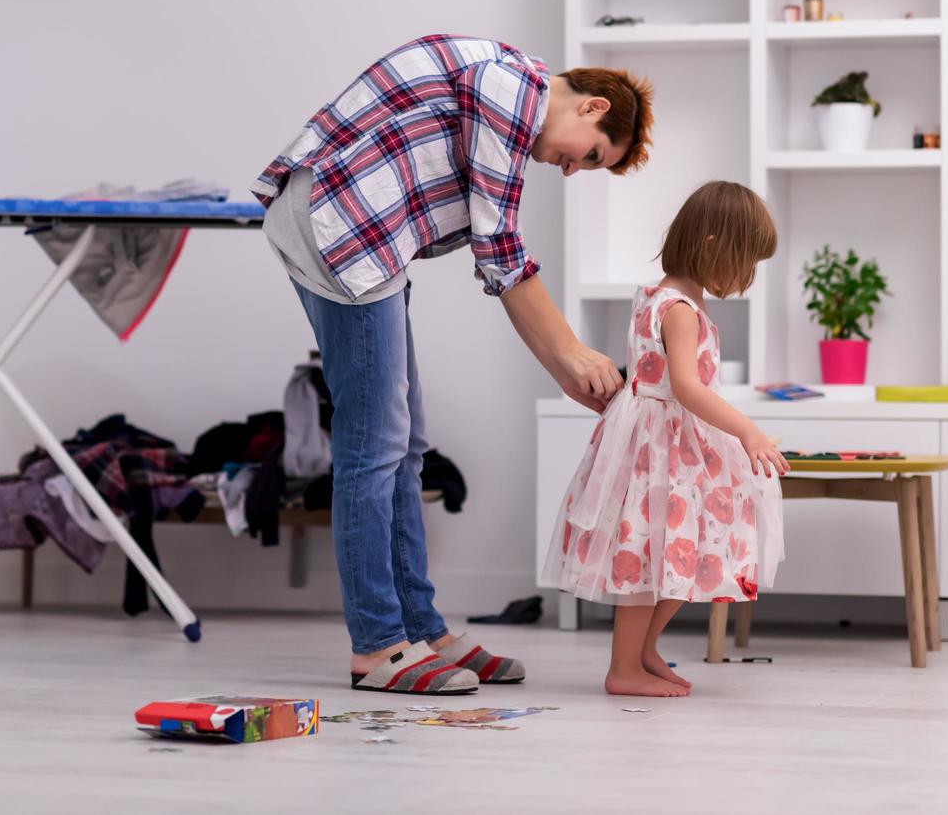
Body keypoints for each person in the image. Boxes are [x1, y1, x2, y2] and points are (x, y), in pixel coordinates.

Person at [253, 34, 653, 694]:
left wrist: (567, 362)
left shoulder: (505, 86)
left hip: (366, 237)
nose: (572, 169)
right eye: (590, 157)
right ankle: (377, 647)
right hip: (341, 230)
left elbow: (496, 254)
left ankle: (424, 630)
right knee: (372, 445)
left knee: (404, 444)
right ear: (592, 108)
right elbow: (498, 250)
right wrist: (571, 357)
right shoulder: (507, 90)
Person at [540, 180, 788, 697]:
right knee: (650, 553)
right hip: (661, 448)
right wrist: (746, 431)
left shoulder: (663, 298)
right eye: (748, 261)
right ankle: (623, 668)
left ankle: (644, 651)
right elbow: (685, 386)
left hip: (672, 444)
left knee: (685, 546)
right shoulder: (678, 309)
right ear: (714, 245)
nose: (748, 276)